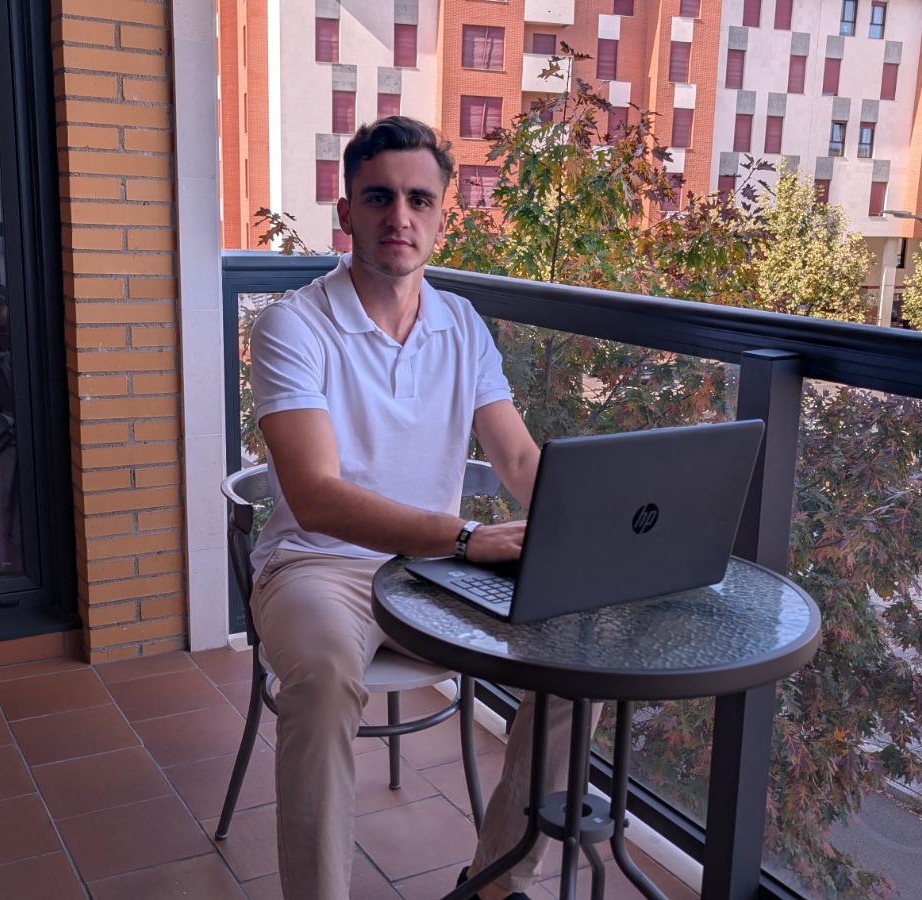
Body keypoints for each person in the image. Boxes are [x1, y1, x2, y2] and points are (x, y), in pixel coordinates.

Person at [246, 116, 583, 900]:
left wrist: (588, 530)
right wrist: (464, 538)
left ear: (441, 216)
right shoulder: (293, 326)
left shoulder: (460, 325)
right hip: (319, 568)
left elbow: (518, 460)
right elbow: (316, 497)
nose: (400, 216)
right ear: (346, 212)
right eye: (379, 197)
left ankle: (496, 882)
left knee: (578, 655)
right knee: (325, 675)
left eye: (419, 199)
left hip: (435, 576)